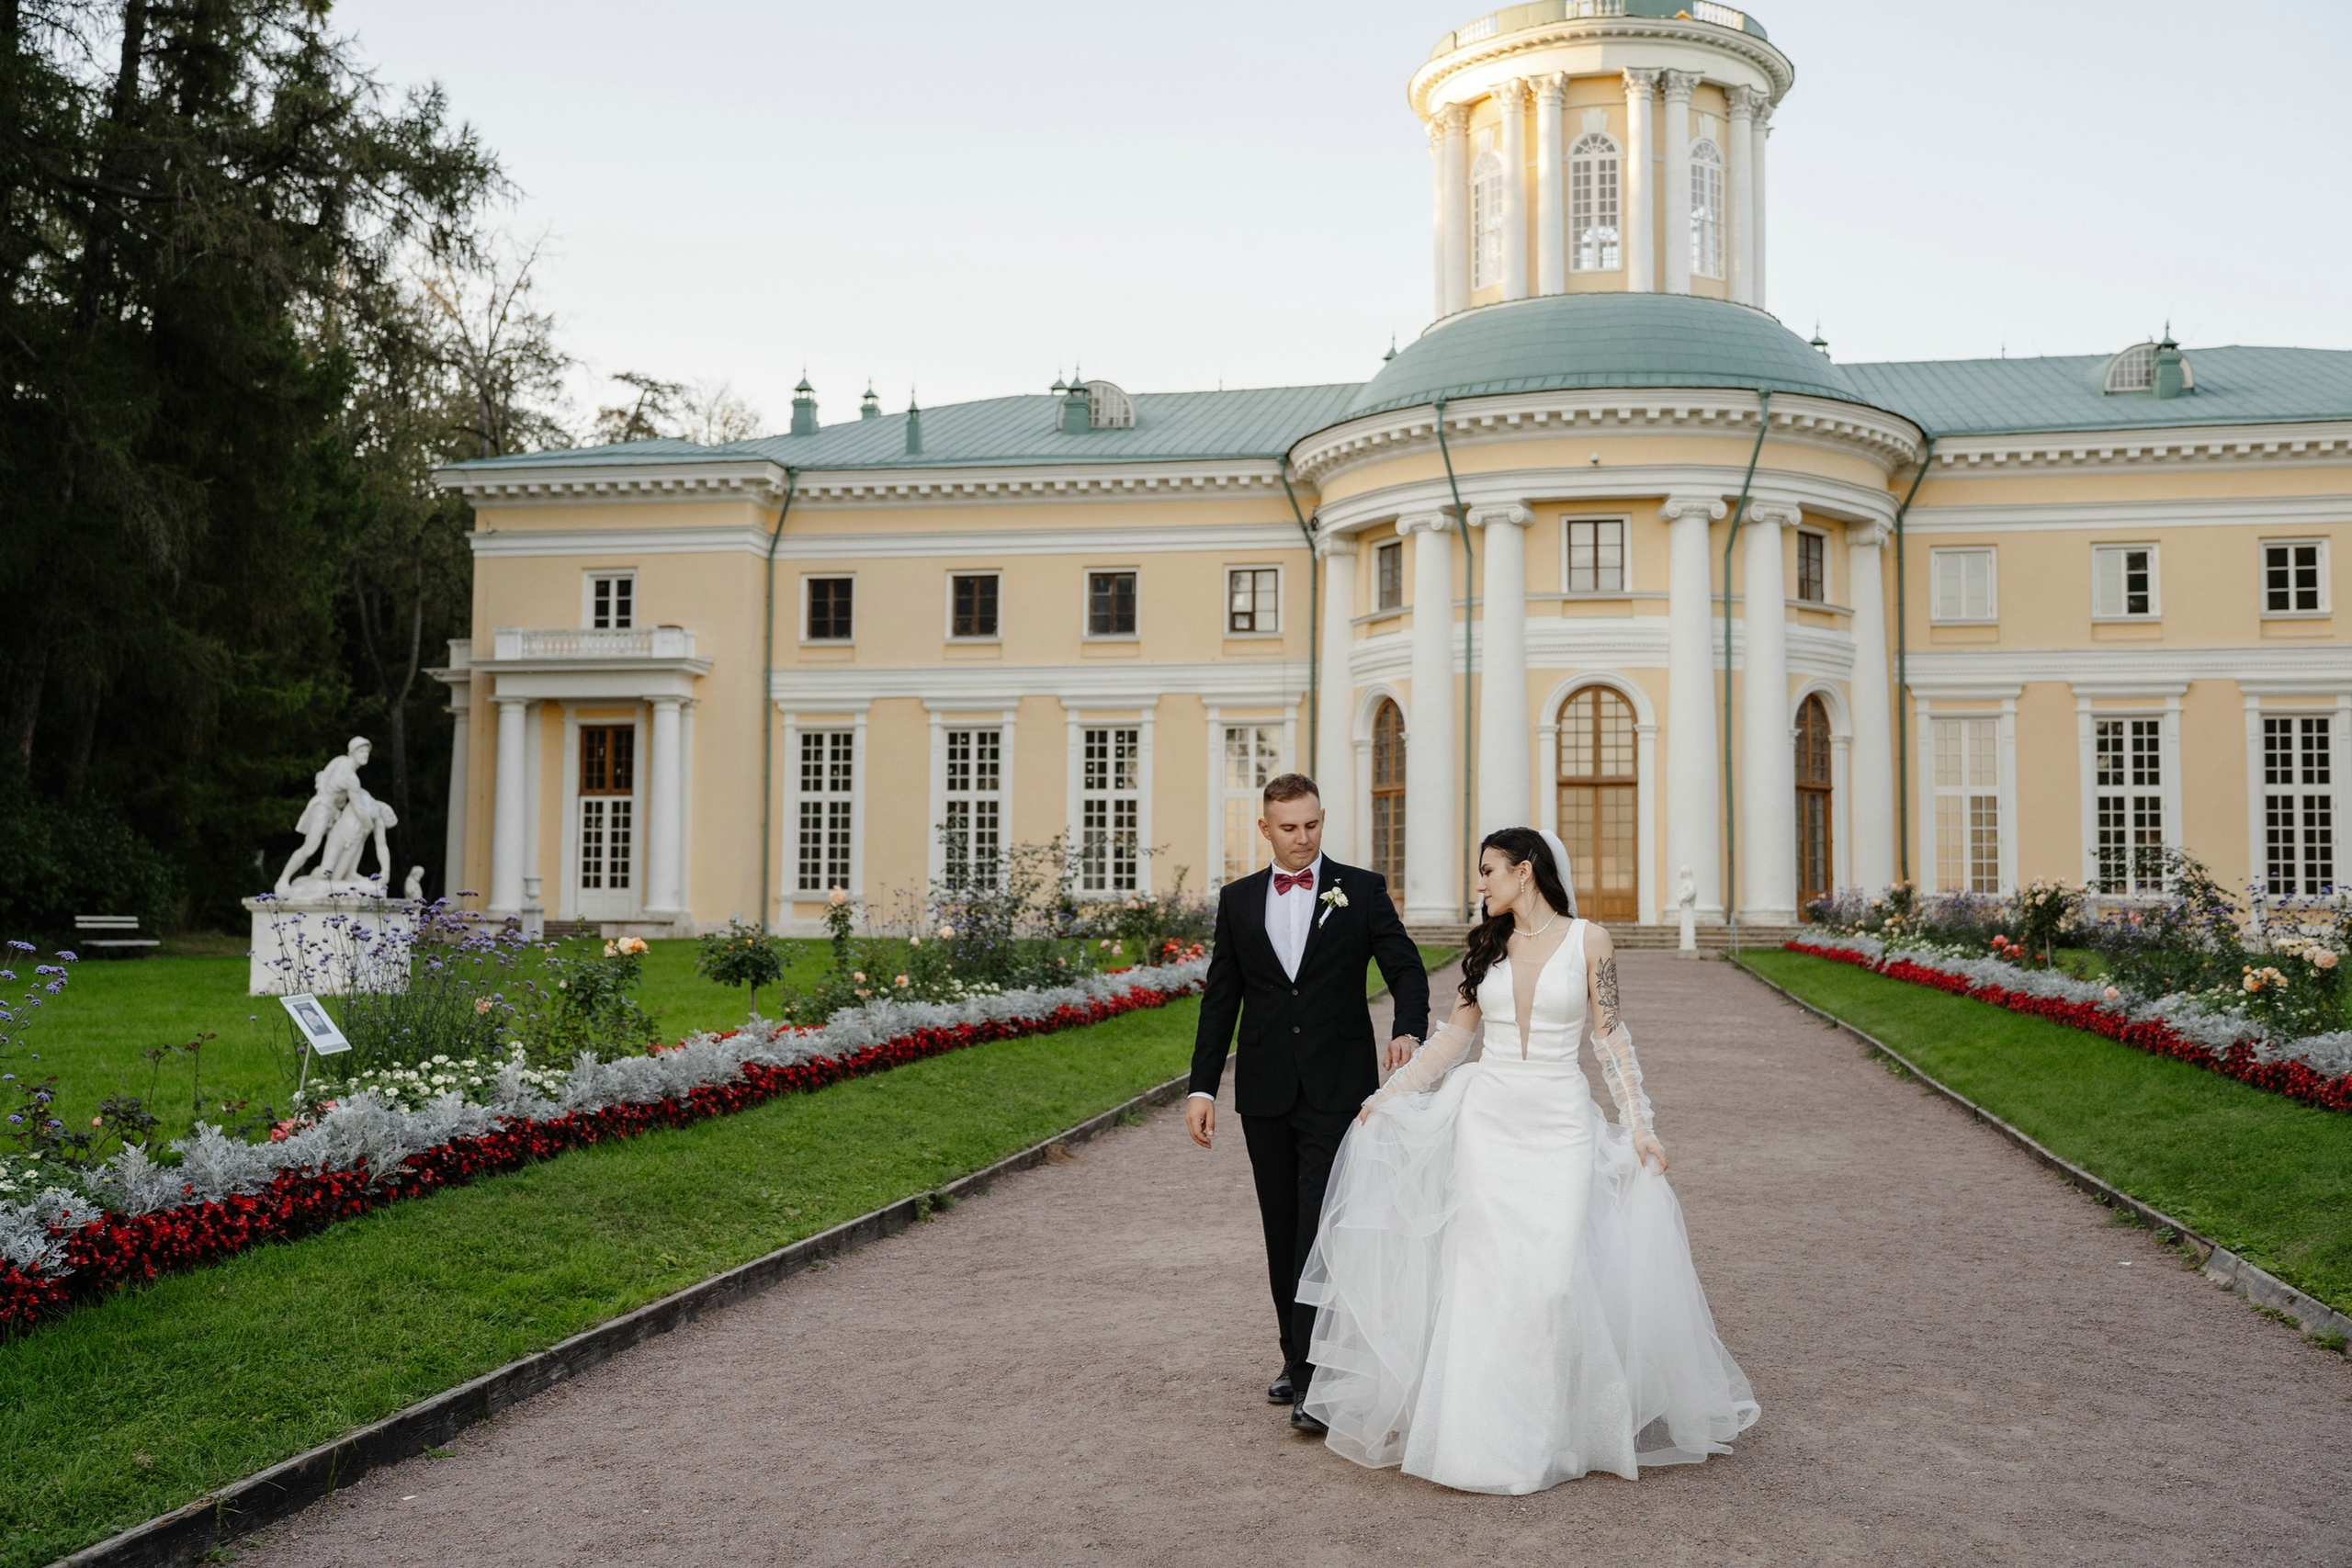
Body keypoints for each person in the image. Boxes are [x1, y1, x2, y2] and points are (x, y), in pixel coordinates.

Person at [1296, 825, 1758, 1494]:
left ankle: (1555, 1430)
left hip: (1560, 1121)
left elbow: (1610, 1038)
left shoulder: (1590, 941)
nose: (1480, 883)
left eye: (1489, 870)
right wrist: (1387, 1095)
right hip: (1488, 1122)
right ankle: (1477, 1441)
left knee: (1553, 1280)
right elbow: (1452, 1040)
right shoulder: (1486, 947)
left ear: (1525, 870)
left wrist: (1640, 1127)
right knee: (1485, 1279)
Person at [1186, 773, 1430, 1433]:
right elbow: (1221, 999)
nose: (1303, 838)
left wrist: (1408, 1029)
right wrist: (1203, 1087)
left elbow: (1406, 966)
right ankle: (1295, 1356)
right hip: (1265, 1091)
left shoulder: (1362, 889)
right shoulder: (1238, 900)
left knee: (1318, 1226)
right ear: (1265, 828)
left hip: (1336, 1088)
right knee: (1281, 1226)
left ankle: (1314, 1379)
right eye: (1289, 827)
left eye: (1312, 825)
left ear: (1323, 819)